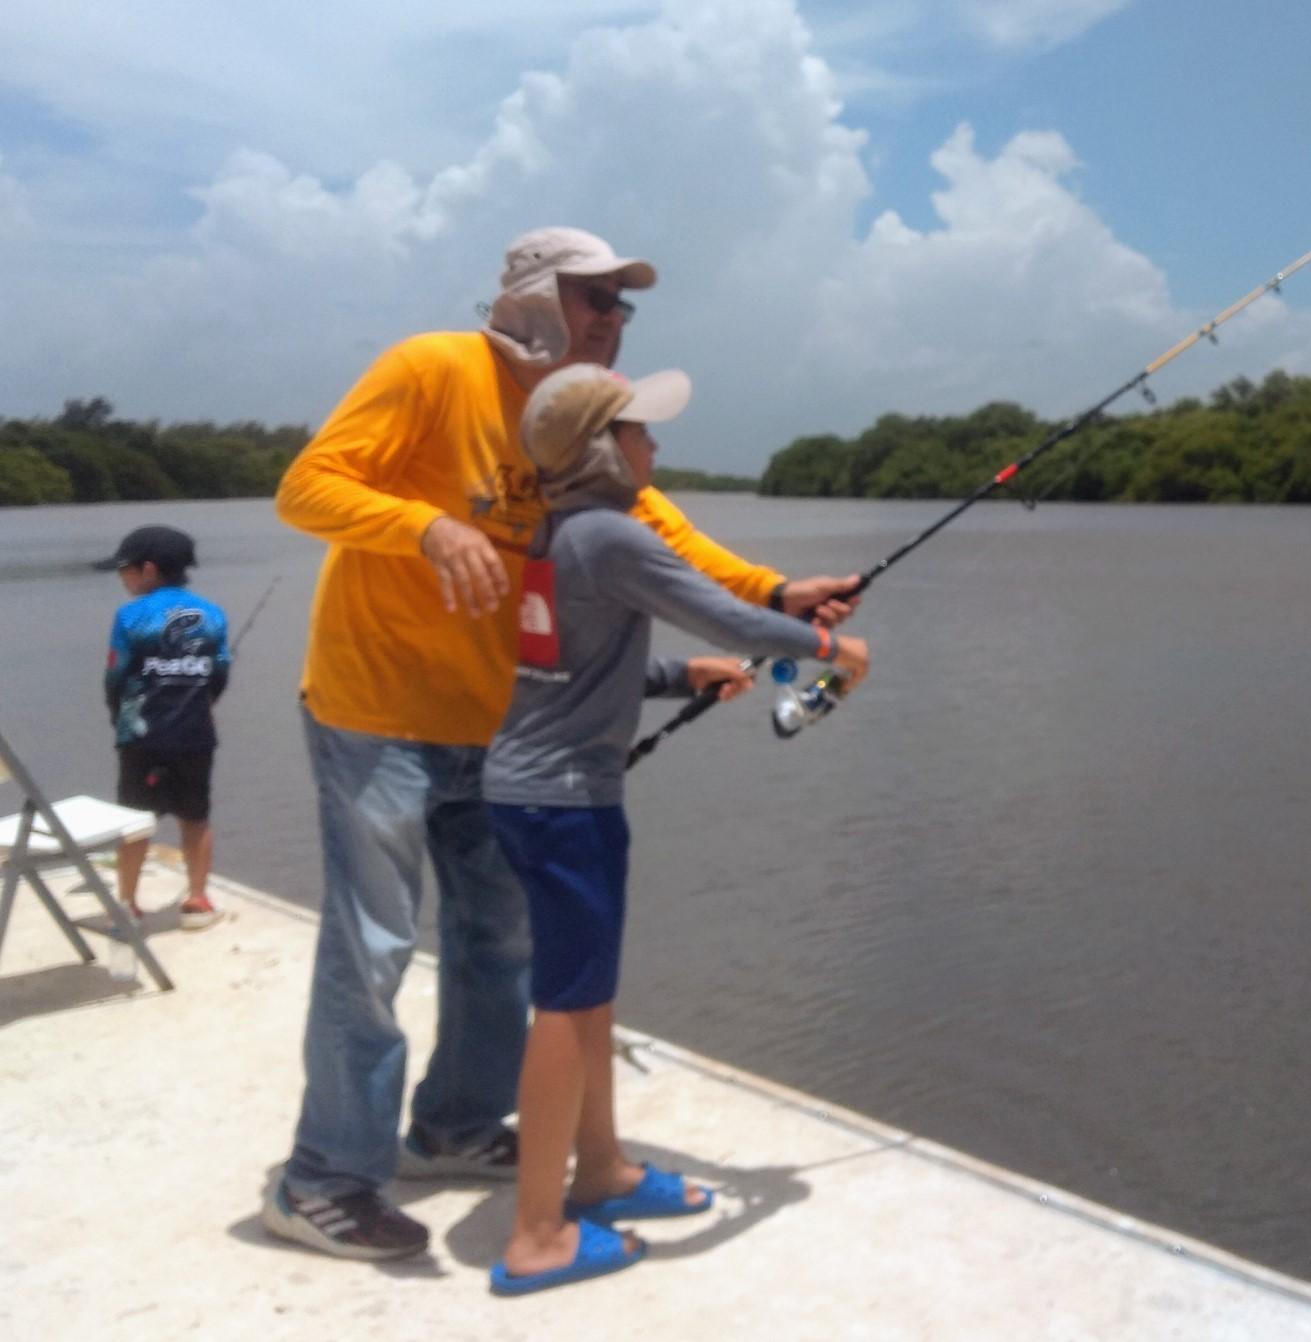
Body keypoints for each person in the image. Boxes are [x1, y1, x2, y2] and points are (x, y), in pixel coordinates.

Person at [264, 226, 863, 1261]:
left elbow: (655, 523)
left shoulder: (580, 424)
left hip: (498, 722)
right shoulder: (431, 368)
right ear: (537, 297)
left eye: (624, 305)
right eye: (597, 298)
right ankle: (325, 1177)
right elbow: (305, 488)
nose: (614, 320)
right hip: (376, 707)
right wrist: (428, 527)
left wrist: (769, 589)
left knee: (499, 942)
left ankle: (456, 1125)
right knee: (373, 944)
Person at [483, 362, 870, 1294]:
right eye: (639, 432)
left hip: (547, 792)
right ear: (600, 451)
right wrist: (832, 647)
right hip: (561, 801)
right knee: (565, 1006)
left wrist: (676, 677)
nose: (654, 446)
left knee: (588, 996)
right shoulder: (609, 533)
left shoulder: (560, 532)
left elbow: (565, 665)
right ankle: (536, 1236)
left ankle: (602, 1171)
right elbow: (728, 616)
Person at [96, 524, 230, 929]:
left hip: (141, 735)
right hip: (195, 733)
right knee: (196, 817)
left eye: (125, 570)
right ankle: (198, 899)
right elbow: (219, 672)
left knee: (134, 821)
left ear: (148, 570)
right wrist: (204, 703)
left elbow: (115, 675)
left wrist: (116, 716)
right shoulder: (213, 614)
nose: (122, 579)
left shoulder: (130, 615)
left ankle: (128, 905)